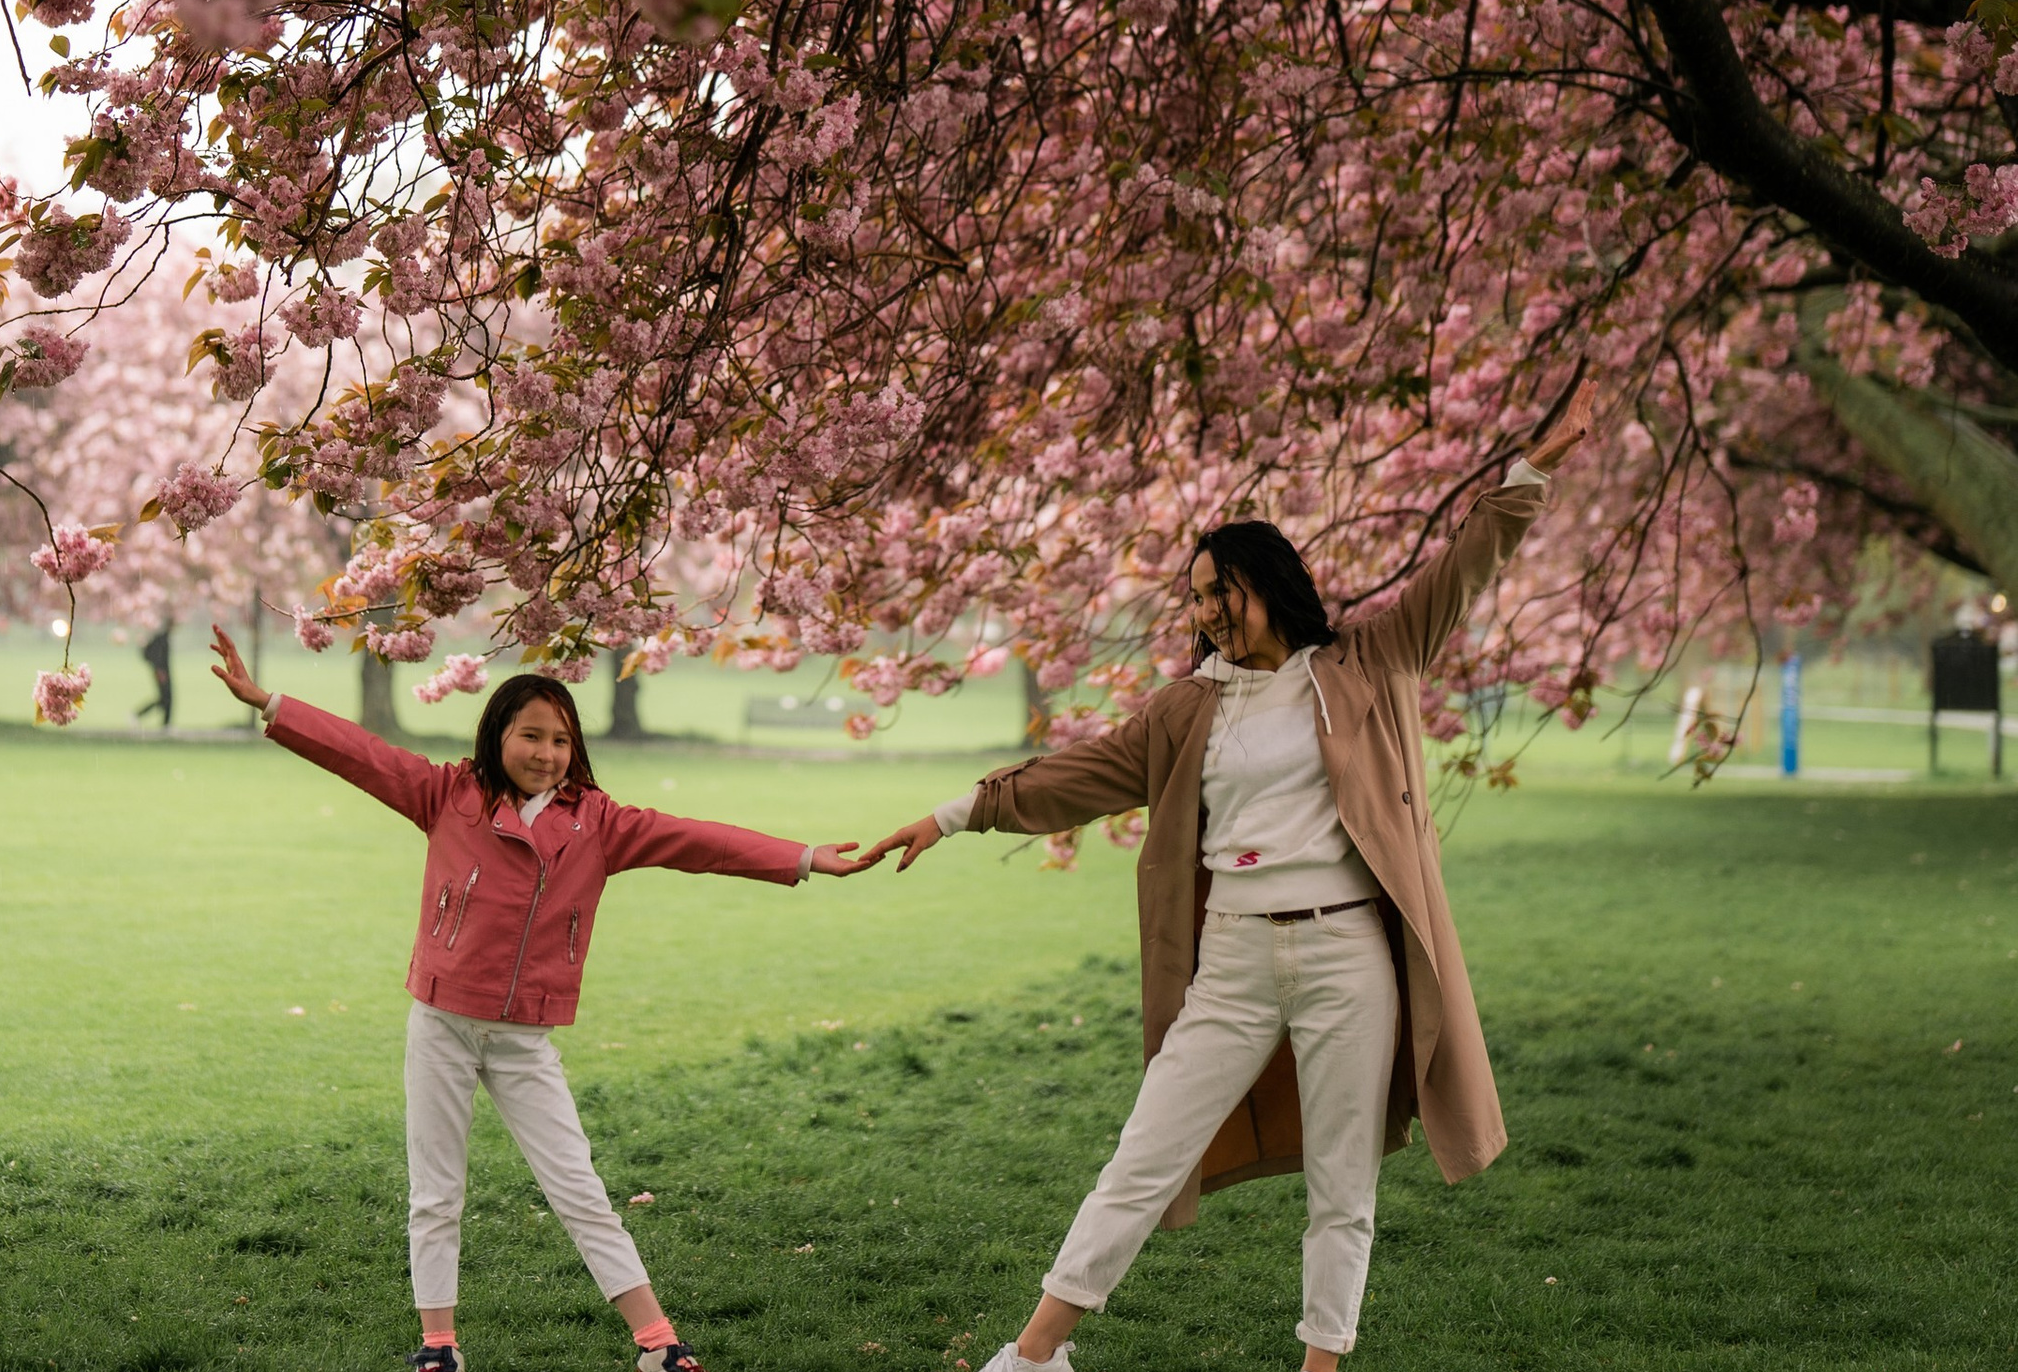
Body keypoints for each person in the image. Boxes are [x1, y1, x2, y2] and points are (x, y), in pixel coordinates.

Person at [852, 380, 1599, 1372]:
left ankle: (1319, 1363)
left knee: (1342, 1185)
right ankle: (1034, 1357)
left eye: (1221, 592)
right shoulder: (1185, 709)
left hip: (1347, 952)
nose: (1208, 612)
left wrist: (1532, 468)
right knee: (1144, 1155)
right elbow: (1075, 776)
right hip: (1235, 958)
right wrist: (950, 815)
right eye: (1196, 598)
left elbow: (1466, 564)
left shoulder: (1368, 664)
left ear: (1268, 582)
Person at [207, 628, 861, 1372]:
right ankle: (438, 1346)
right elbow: (363, 755)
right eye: (530, 735)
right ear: (498, 734)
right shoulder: (448, 794)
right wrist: (273, 703)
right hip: (442, 1025)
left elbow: (698, 841)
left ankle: (657, 1343)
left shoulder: (601, 824)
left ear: (574, 749)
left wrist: (803, 858)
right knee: (436, 1192)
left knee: (578, 1187)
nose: (545, 752)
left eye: (559, 740)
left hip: (524, 1040)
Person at [135, 620, 174, 727]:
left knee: (166, 698)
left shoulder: (164, 637)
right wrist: (159, 669)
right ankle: (139, 714)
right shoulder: (160, 639)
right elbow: (154, 656)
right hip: (161, 672)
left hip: (164, 671)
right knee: (165, 698)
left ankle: (166, 723)